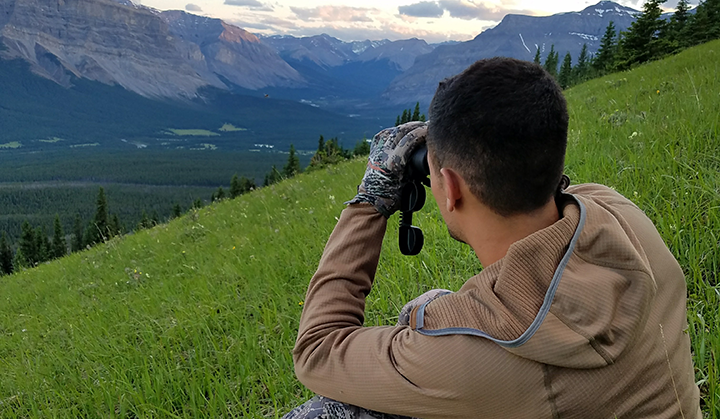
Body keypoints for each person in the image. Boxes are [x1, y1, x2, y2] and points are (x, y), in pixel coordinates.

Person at [283, 57, 701, 418]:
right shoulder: (621, 215)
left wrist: (371, 196)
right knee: (430, 304)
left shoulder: (466, 361)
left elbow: (317, 350)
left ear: (450, 185)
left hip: (514, 385)